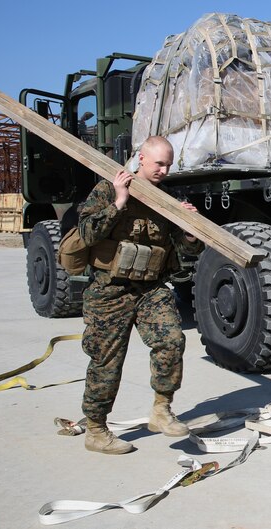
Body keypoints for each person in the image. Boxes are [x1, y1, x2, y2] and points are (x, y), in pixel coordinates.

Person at [77, 136, 204, 454]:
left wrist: (190, 230)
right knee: (107, 360)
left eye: (169, 165)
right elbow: (87, 233)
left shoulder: (167, 199)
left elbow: (185, 248)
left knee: (172, 341)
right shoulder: (109, 188)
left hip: (150, 288)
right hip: (110, 291)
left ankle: (161, 411)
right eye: (159, 163)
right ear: (141, 159)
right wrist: (119, 201)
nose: (164, 170)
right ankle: (95, 429)